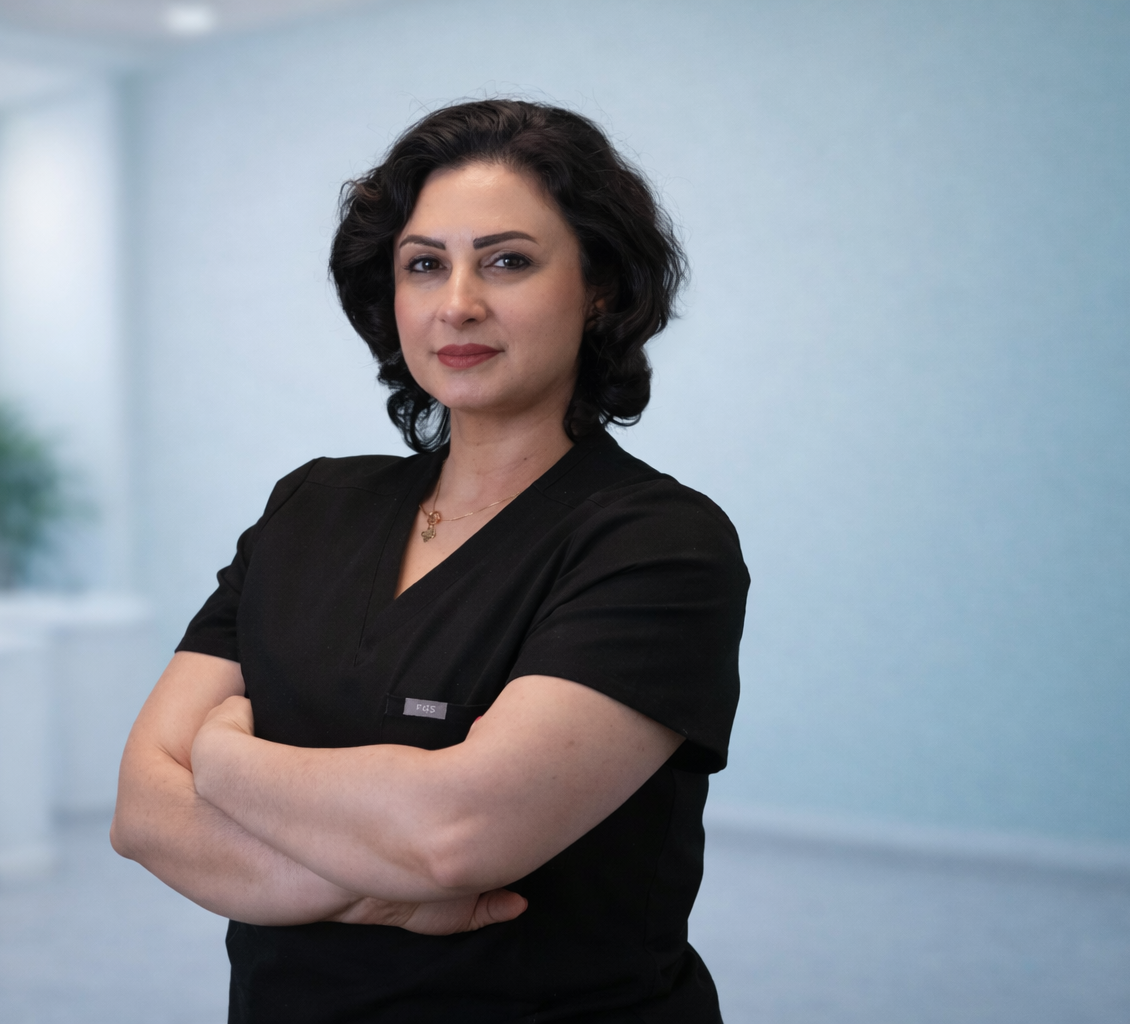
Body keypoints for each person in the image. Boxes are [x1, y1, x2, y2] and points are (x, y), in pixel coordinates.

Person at [112, 99, 749, 1023]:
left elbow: (455, 837)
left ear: (600, 285)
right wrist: (379, 891)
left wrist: (220, 760)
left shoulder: (659, 542)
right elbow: (142, 811)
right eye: (424, 265)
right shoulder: (312, 504)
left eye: (507, 260)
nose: (459, 303)